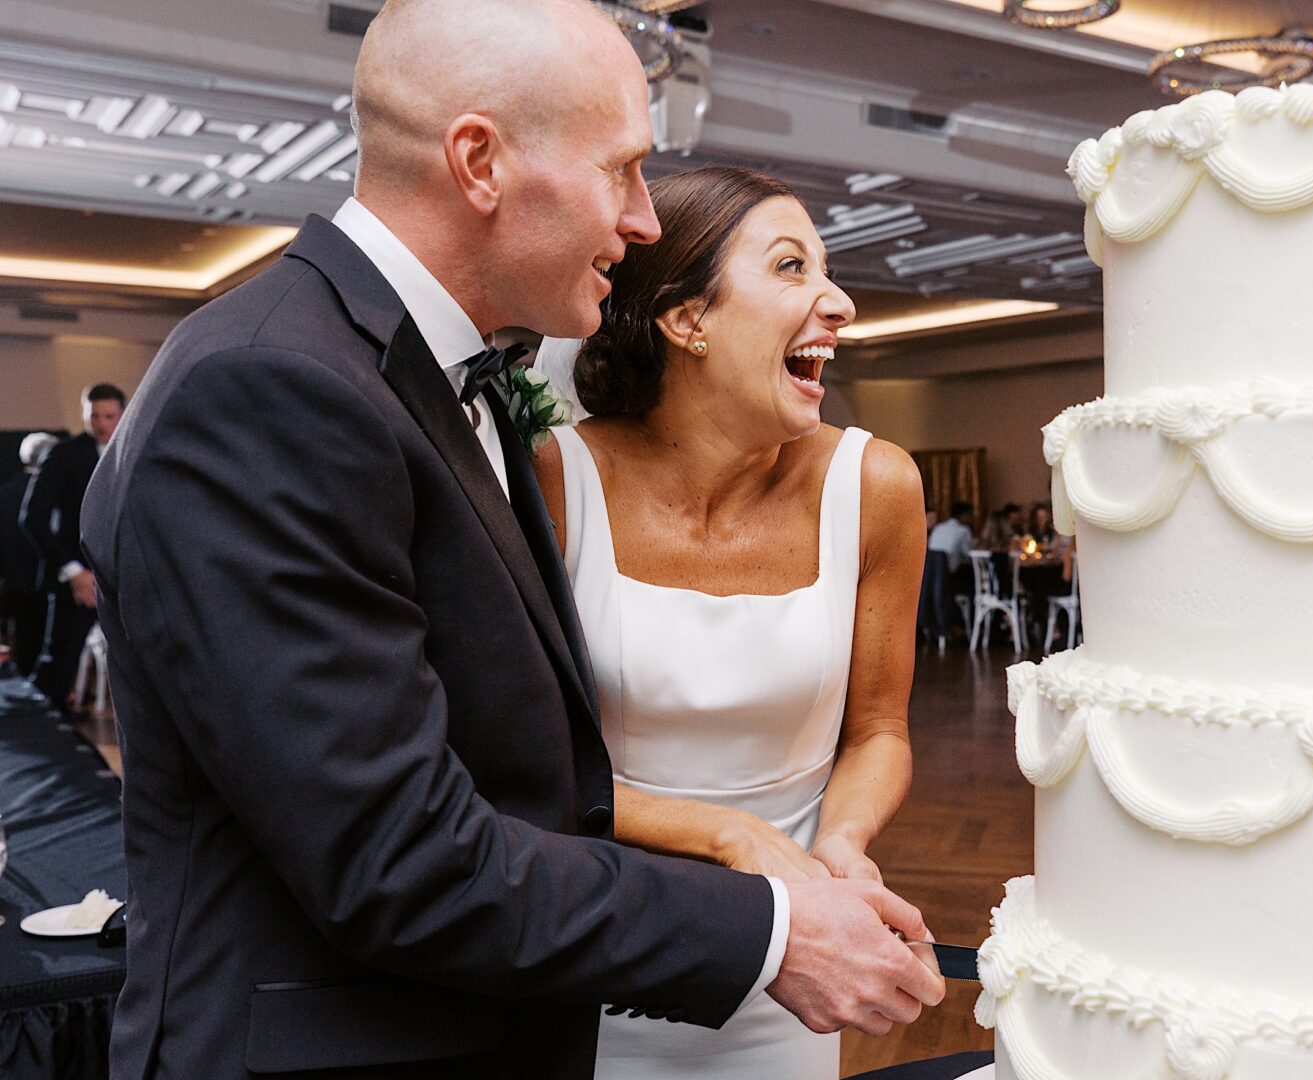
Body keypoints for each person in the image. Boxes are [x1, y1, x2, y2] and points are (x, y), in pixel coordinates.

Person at [79, 4, 941, 1079]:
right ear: (479, 162)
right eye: (621, 171)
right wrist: (767, 931)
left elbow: (515, 766)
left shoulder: (447, 381)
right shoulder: (272, 389)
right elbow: (398, 860)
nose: (638, 223)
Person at [535, 166, 931, 1079]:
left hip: (798, 968)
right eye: (792, 268)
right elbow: (530, 760)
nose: (837, 302)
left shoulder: (876, 488)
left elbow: (878, 730)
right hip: (604, 944)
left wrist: (840, 844)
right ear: (687, 320)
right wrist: (728, 836)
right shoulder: (555, 480)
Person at [20, 385, 123, 710]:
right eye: (94, 416)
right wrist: (73, 572)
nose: (101, 424)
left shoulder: (134, 451)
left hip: (122, 578)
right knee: (56, 669)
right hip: (75, 578)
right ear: (84, 414)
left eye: (109, 416)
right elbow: (32, 518)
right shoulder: (65, 454)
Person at [0, 432, 59, 674]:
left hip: (14, 581)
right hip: (49, 579)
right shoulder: (54, 492)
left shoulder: (4, 493)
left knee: (23, 643)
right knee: (51, 644)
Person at [928, 500, 976, 574]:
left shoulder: (938, 527)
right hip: (951, 573)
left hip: (932, 572)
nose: (972, 519)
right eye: (970, 515)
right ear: (964, 515)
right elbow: (968, 555)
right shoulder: (963, 530)